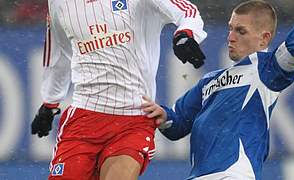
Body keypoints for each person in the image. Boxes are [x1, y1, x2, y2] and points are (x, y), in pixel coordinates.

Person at [142, 0, 294, 179]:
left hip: (234, 174)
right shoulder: (209, 81)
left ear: (264, 38)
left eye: (240, 31)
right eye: (230, 28)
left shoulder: (268, 70)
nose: (230, 37)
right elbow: (178, 124)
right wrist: (163, 115)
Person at [30, 0, 207, 179]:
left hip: (134, 119)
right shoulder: (59, 3)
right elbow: (58, 51)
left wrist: (185, 34)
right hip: (83, 119)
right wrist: (50, 102)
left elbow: (187, 11)